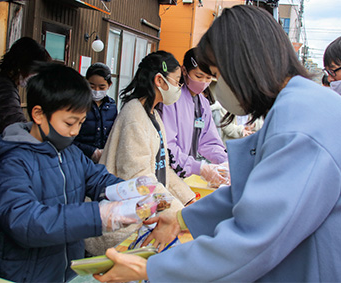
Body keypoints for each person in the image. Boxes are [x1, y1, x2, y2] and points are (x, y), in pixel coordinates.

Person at [94, 5, 341, 282]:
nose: (213, 86)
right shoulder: (299, 107)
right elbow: (249, 194)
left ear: (242, 66)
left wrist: (151, 269)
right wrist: (181, 218)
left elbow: (255, 238)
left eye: (216, 74)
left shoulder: (300, 123)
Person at [0, 63, 129, 283]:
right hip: (23, 275)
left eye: (81, 123)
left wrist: (131, 191)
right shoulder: (12, 162)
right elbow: (24, 221)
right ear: (38, 114)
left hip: (65, 271)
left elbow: (98, 179)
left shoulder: (71, 153)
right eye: (69, 122)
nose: (75, 131)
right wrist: (98, 216)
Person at [89, 51, 195, 255]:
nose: (178, 88)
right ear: (159, 80)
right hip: (123, 223)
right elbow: (139, 178)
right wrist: (176, 211)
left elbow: (161, 169)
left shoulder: (152, 113)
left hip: (142, 213)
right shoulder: (135, 115)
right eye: (177, 81)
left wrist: (188, 200)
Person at [160, 47, 228, 186]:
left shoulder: (203, 103)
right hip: (168, 173)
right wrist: (198, 167)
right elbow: (168, 145)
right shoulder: (171, 100)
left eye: (208, 78)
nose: (203, 82)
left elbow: (208, 142)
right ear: (184, 71)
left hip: (186, 175)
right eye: (199, 76)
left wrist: (225, 162)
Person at [0, 37, 51, 147]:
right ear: (22, 66)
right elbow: (15, 126)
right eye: (35, 71)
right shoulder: (3, 89)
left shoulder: (1, 83)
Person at [73, 62, 117, 163]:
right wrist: (92, 152)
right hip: (80, 160)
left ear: (109, 85)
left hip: (104, 161)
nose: (96, 91)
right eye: (92, 86)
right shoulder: (78, 104)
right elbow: (70, 139)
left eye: (102, 87)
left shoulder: (111, 106)